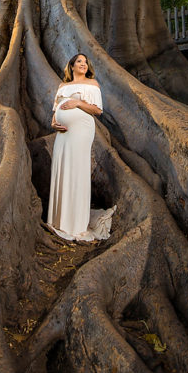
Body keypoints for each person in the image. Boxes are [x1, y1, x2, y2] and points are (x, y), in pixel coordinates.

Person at [46, 52, 115, 242]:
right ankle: (59, 220)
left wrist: (78, 102)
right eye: (79, 61)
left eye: (85, 62)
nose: (83, 64)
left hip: (81, 131)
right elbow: (55, 111)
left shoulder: (92, 84)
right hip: (62, 133)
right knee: (61, 167)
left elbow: (97, 110)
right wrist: (54, 123)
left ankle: (75, 224)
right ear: (72, 65)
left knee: (77, 170)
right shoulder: (62, 86)